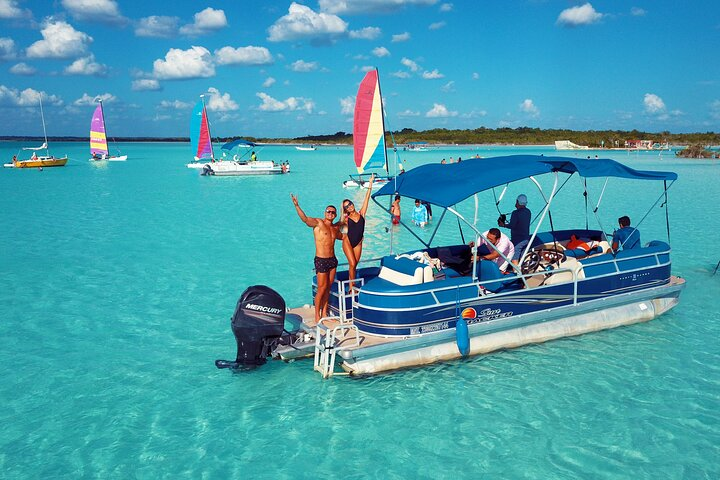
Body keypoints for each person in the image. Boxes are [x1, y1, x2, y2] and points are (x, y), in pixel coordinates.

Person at [291, 194, 343, 323]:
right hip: (321, 260)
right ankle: (317, 315)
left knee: (328, 287)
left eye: (333, 212)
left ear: (335, 215)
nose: (330, 213)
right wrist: (297, 205)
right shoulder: (318, 223)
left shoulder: (334, 228)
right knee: (321, 288)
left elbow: (343, 228)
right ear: (325, 213)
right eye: (328, 211)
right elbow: (304, 219)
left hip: (332, 260)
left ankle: (324, 312)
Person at [340, 174, 375, 290]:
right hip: (348, 243)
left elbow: (366, 199)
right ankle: (351, 287)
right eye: (346, 207)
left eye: (350, 204)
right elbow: (339, 231)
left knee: (354, 265)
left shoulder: (361, 214)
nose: (349, 207)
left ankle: (352, 284)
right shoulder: (345, 219)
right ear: (345, 210)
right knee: (352, 264)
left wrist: (370, 184)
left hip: (358, 244)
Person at [498, 194, 531, 264]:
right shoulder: (528, 211)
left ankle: (517, 273)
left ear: (517, 201)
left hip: (517, 240)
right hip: (526, 238)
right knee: (522, 257)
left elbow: (512, 226)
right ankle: (522, 269)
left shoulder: (515, 213)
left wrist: (503, 225)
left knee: (514, 256)